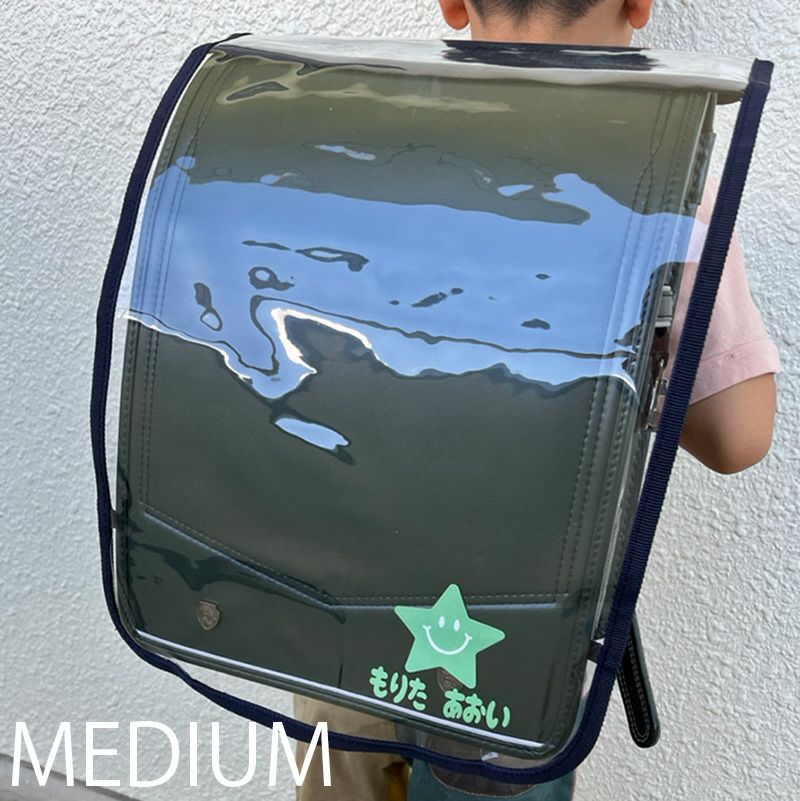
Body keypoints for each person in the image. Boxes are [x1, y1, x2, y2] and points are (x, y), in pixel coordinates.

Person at [294, 1, 782, 798]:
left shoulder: (358, 144)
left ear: (454, 3)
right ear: (638, 5)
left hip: (330, 606)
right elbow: (739, 433)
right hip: (497, 648)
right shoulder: (663, 188)